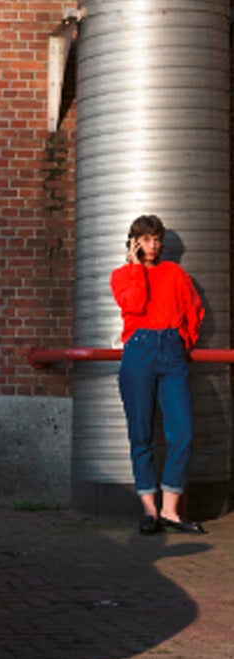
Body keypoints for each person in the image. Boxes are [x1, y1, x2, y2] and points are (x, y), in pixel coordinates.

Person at [111, 214, 206, 535]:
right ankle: (150, 512)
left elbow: (195, 309)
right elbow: (135, 304)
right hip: (139, 351)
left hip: (171, 351)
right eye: (146, 240)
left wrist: (182, 340)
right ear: (135, 242)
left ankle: (170, 511)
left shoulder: (175, 273)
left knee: (182, 433)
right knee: (141, 435)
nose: (153, 245)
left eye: (156, 239)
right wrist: (136, 267)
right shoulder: (122, 275)